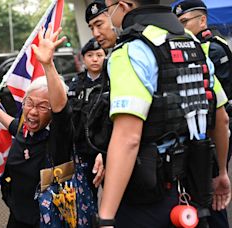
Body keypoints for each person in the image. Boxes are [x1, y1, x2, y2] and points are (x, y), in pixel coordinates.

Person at [93, 0, 231, 227]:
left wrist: (106, 217)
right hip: (193, 191)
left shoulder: (131, 50)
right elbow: (221, 118)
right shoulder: (194, 43)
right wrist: (222, 174)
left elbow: (128, 138)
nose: (109, 14)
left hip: (147, 197)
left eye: (108, 8)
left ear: (123, 4)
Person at [0, 25, 73, 228]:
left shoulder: (57, 138)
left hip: (46, 219)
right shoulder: (23, 128)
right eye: (29, 103)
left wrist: (47, 64)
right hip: (17, 215)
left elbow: (61, 110)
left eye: (43, 107)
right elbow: (12, 124)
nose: (33, 112)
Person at [171, 1, 232, 227]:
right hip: (200, 134)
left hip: (214, 134)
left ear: (202, 20)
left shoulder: (211, 48)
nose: (182, 27)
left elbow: (219, 109)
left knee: (212, 196)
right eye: (178, 23)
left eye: (185, 21)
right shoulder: (192, 46)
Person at [67, 38, 106, 202]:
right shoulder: (76, 83)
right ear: (83, 59)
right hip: (81, 148)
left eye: (99, 55)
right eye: (90, 55)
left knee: (111, 189)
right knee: (86, 195)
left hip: (103, 148)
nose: (95, 59)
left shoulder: (112, 81)